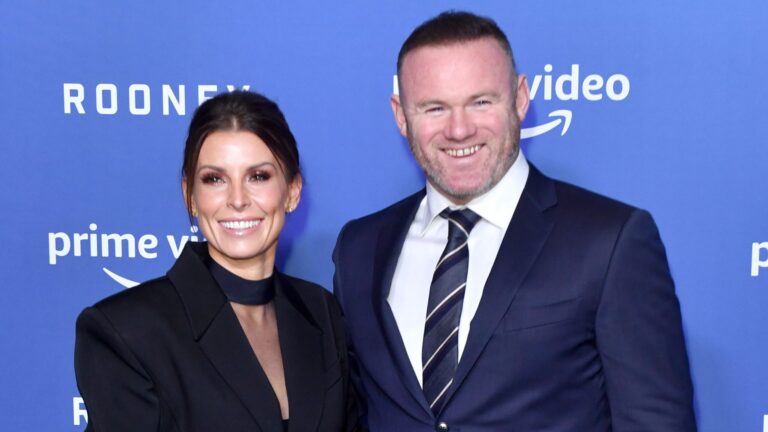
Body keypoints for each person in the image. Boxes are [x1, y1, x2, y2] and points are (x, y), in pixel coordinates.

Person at [332, 11, 696, 431]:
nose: (459, 130)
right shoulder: (360, 248)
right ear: (401, 115)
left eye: (481, 102)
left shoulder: (610, 242)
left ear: (520, 99)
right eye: (434, 108)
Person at [76, 91, 361, 432]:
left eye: (258, 176)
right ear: (190, 196)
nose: (237, 200)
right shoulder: (127, 331)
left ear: (293, 191)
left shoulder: (322, 312)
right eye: (215, 179)